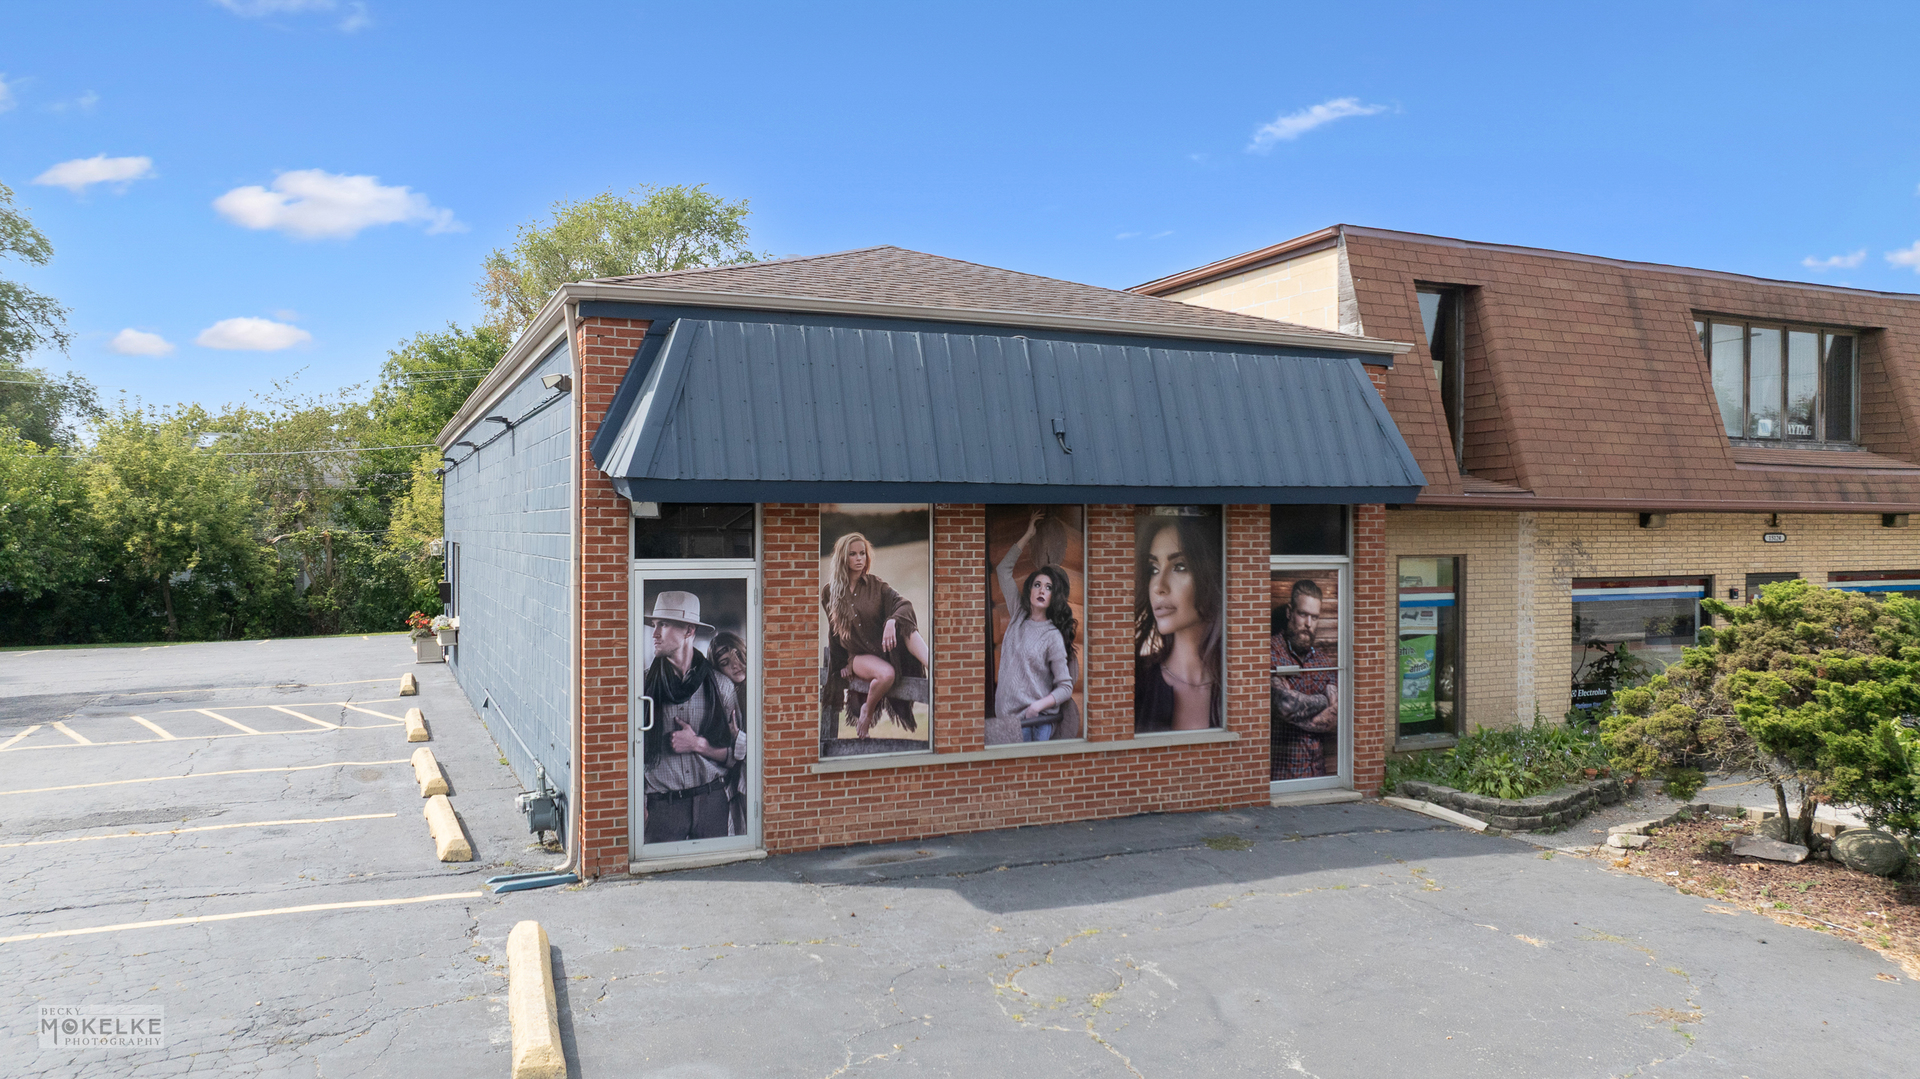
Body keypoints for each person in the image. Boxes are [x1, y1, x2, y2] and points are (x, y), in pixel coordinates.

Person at [640, 591, 739, 843]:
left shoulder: (720, 687)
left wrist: (697, 744)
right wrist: (637, 800)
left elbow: (734, 755)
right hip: (662, 807)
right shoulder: (642, 686)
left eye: (663, 624)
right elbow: (629, 750)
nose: (655, 633)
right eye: (654, 625)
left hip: (712, 802)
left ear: (688, 630)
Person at [821, 531, 930, 739]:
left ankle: (935, 667)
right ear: (843, 557)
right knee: (886, 675)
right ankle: (867, 711)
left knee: (906, 626)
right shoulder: (830, 592)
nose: (859, 558)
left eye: (862, 553)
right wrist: (841, 664)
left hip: (885, 649)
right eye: (853, 554)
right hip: (859, 657)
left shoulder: (877, 586)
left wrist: (892, 621)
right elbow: (834, 633)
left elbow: (904, 605)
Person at [988, 509, 1076, 745]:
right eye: (1037, 584)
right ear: (1029, 590)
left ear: (1053, 597)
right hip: (1007, 723)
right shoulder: (1018, 614)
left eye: (1048, 587)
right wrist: (1028, 534)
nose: (1041, 590)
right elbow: (1003, 570)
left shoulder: (1052, 636)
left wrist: (1038, 706)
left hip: (1033, 724)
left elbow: (1065, 687)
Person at [1133, 512, 1223, 732]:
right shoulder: (1135, 680)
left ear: (1212, 575)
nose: (1158, 586)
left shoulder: (1241, 682)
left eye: (1180, 566)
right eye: (1153, 570)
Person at [1272, 578, 1338, 779]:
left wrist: (1296, 711)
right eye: (1303, 614)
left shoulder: (1323, 662)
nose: (1308, 624)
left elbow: (1336, 717)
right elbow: (1284, 705)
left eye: (1314, 617)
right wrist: (1325, 701)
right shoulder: (1271, 652)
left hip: (1316, 773)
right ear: (1289, 612)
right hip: (1282, 776)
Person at [710, 630, 751, 836]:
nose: (735, 665)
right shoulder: (724, 698)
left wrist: (739, 738)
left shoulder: (758, 688)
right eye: (725, 663)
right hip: (736, 786)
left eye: (738, 655)